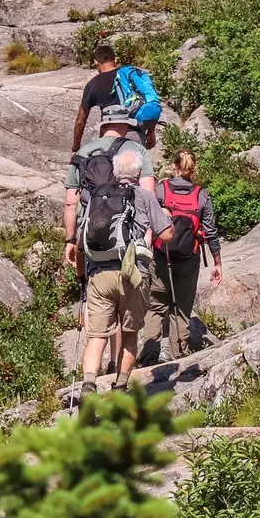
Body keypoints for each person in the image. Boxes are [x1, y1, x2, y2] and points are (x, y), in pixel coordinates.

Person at [66, 105, 167, 392]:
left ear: (102, 126)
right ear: (125, 125)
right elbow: (147, 196)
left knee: (96, 331)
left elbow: (71, 203)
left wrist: (71, 242)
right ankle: (118, 379)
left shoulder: (83, 154)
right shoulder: (138, 154)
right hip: (131, 256)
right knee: (130, 326)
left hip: (96, 253)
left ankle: (89, 383)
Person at [143, 148, 222, 363]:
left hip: (161, 255)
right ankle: (177, 357)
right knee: (182, 307)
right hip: (189, 258)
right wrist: (217, 262)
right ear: (193, 169)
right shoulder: (201, 195)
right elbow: (210, 231)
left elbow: (146, 217)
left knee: (157, 305)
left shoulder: (161, 190)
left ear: (174, 166)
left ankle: (149, 354)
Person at [70, 42, 161, 154]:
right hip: (136, 134)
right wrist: (151, 131)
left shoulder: (93, 84)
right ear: (115, 59)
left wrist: (76, 148)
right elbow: (146, 100)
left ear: (96, 62)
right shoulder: (127, 76)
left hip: (110, 138)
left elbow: (80, 121)